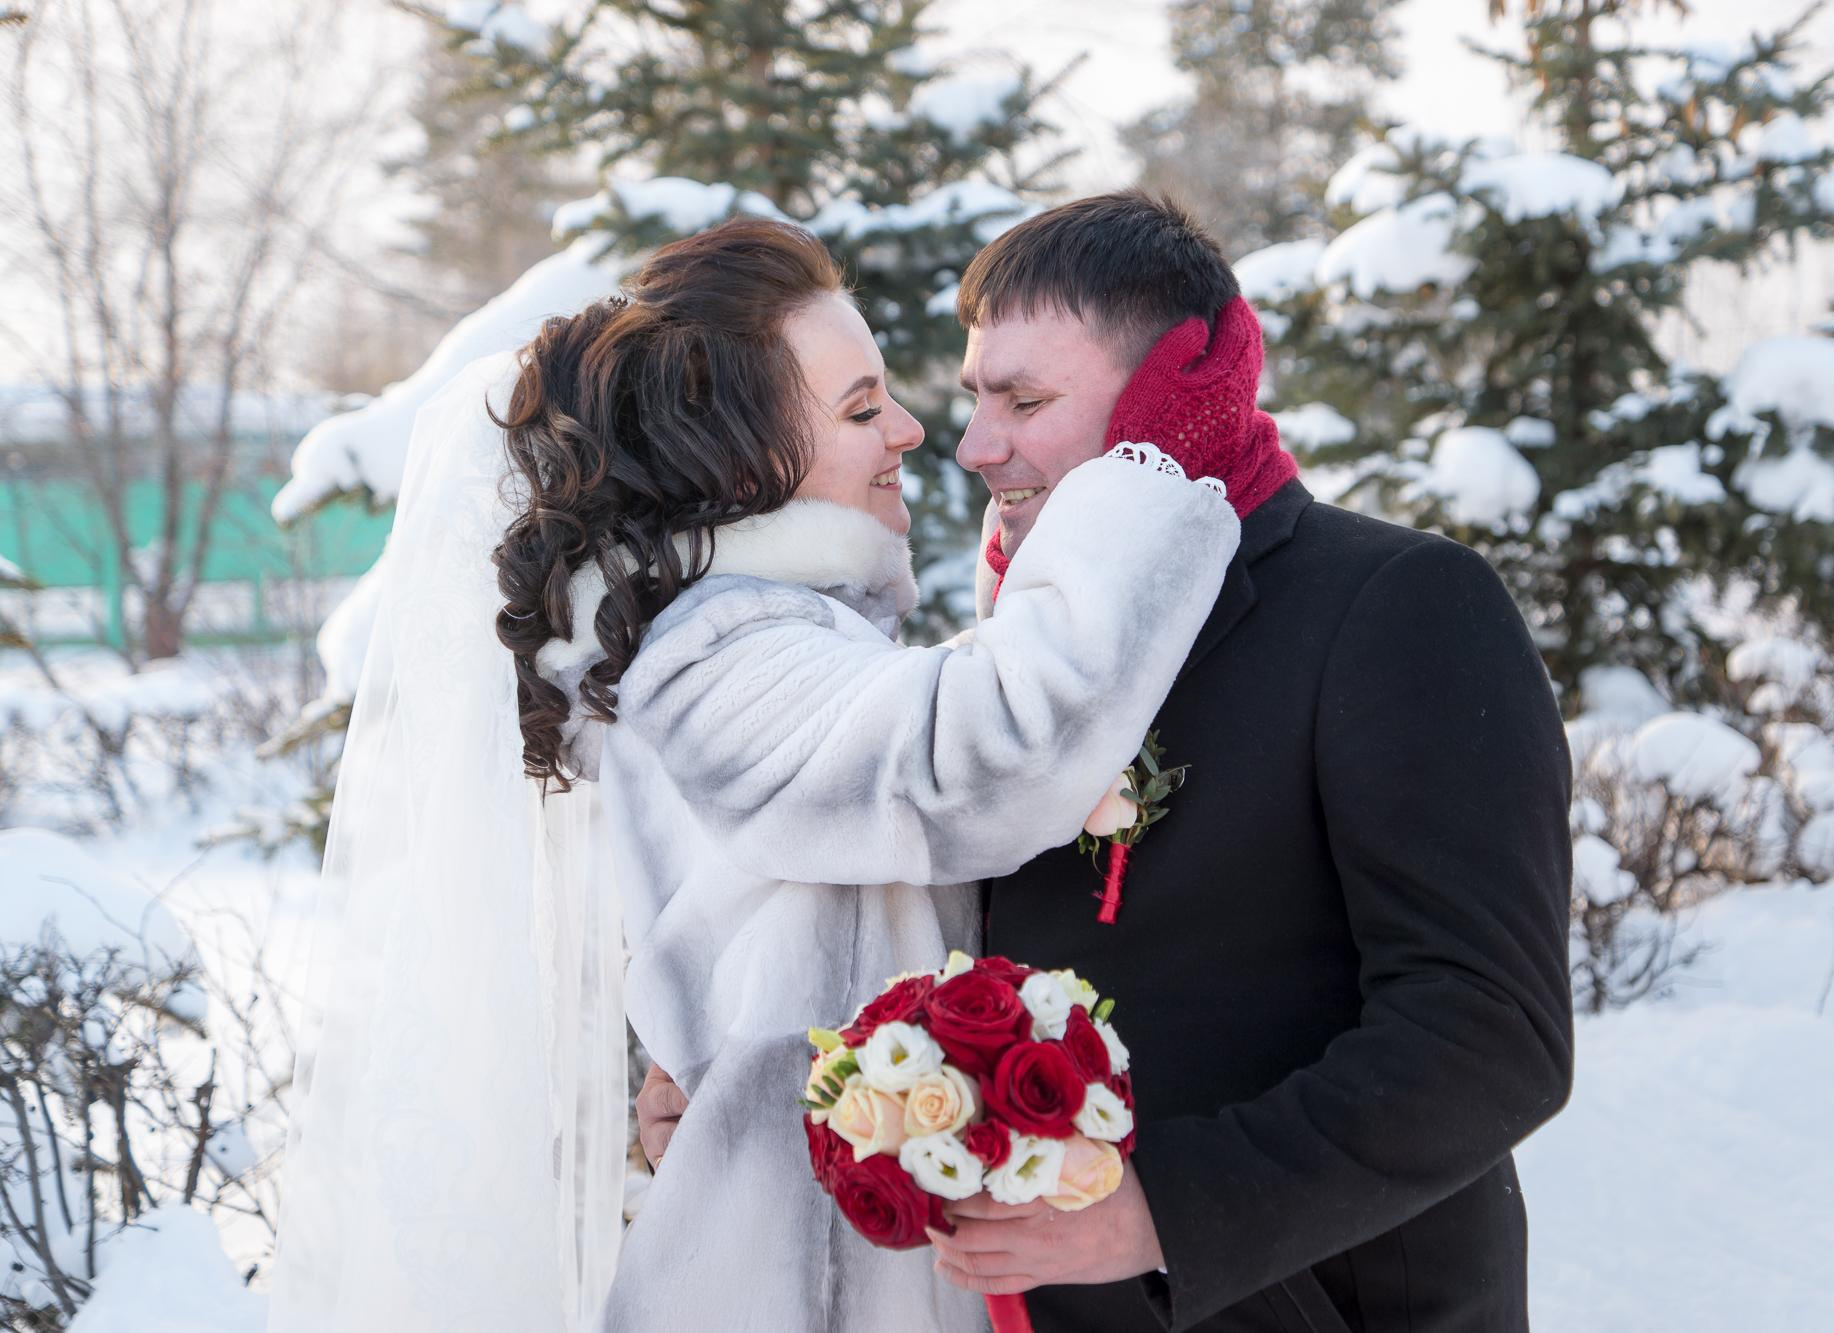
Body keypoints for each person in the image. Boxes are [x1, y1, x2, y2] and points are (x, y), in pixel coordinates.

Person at [265, 217, 1241, 1332]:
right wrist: (1149, 466)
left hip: (823, 1256)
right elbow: (978, 754)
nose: (916, 432)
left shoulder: (765, 641)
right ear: (741, 468)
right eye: (861, 408)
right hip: (788, 1282)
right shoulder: (714, 652)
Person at [644, 192, 1576, 1332]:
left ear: (1159, 409)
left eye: (1024, 402)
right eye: (973, 400)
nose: (975, 447)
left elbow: (1488, 1035)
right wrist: (725, 1068)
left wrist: (1159, 1212)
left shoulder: (1393, 606)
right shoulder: (1009, 665)